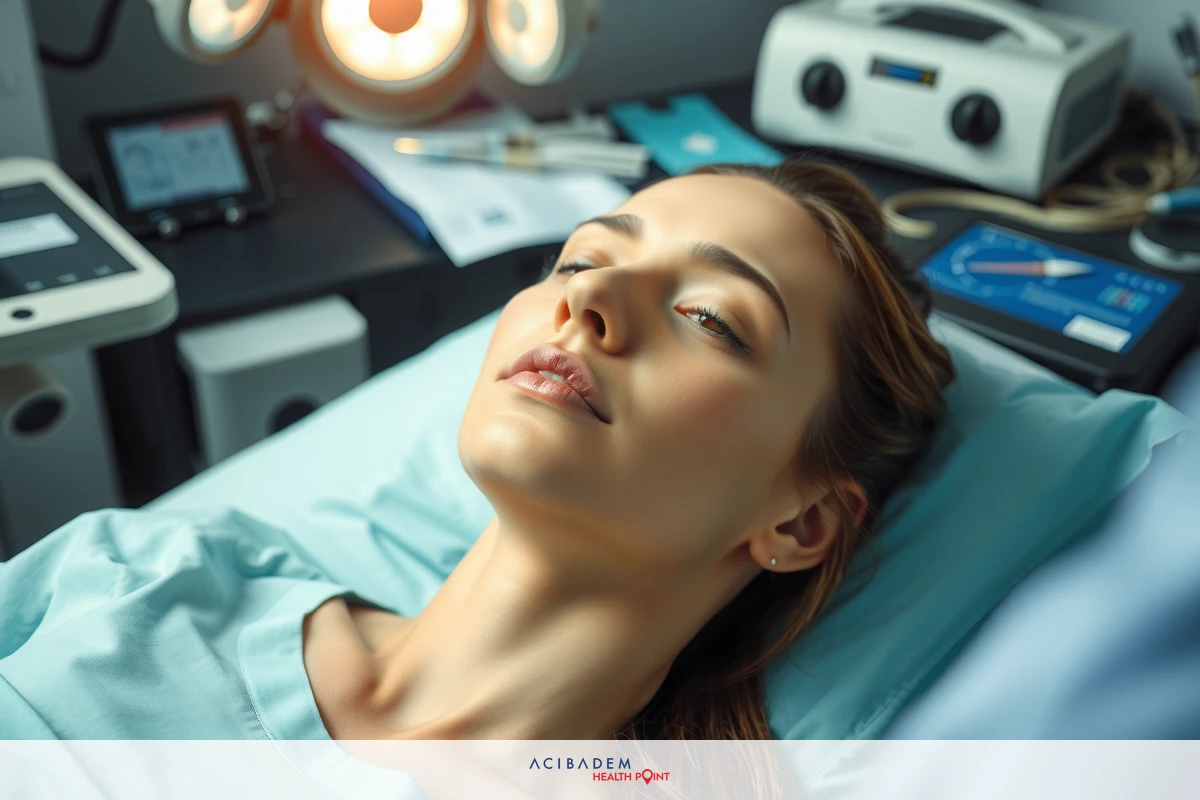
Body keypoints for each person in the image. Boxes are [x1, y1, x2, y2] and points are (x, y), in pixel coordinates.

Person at [0, 160, 954, 744]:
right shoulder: (153, 573)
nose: (590, 300)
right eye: (582, 259)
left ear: (800, 520)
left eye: (710, 317)